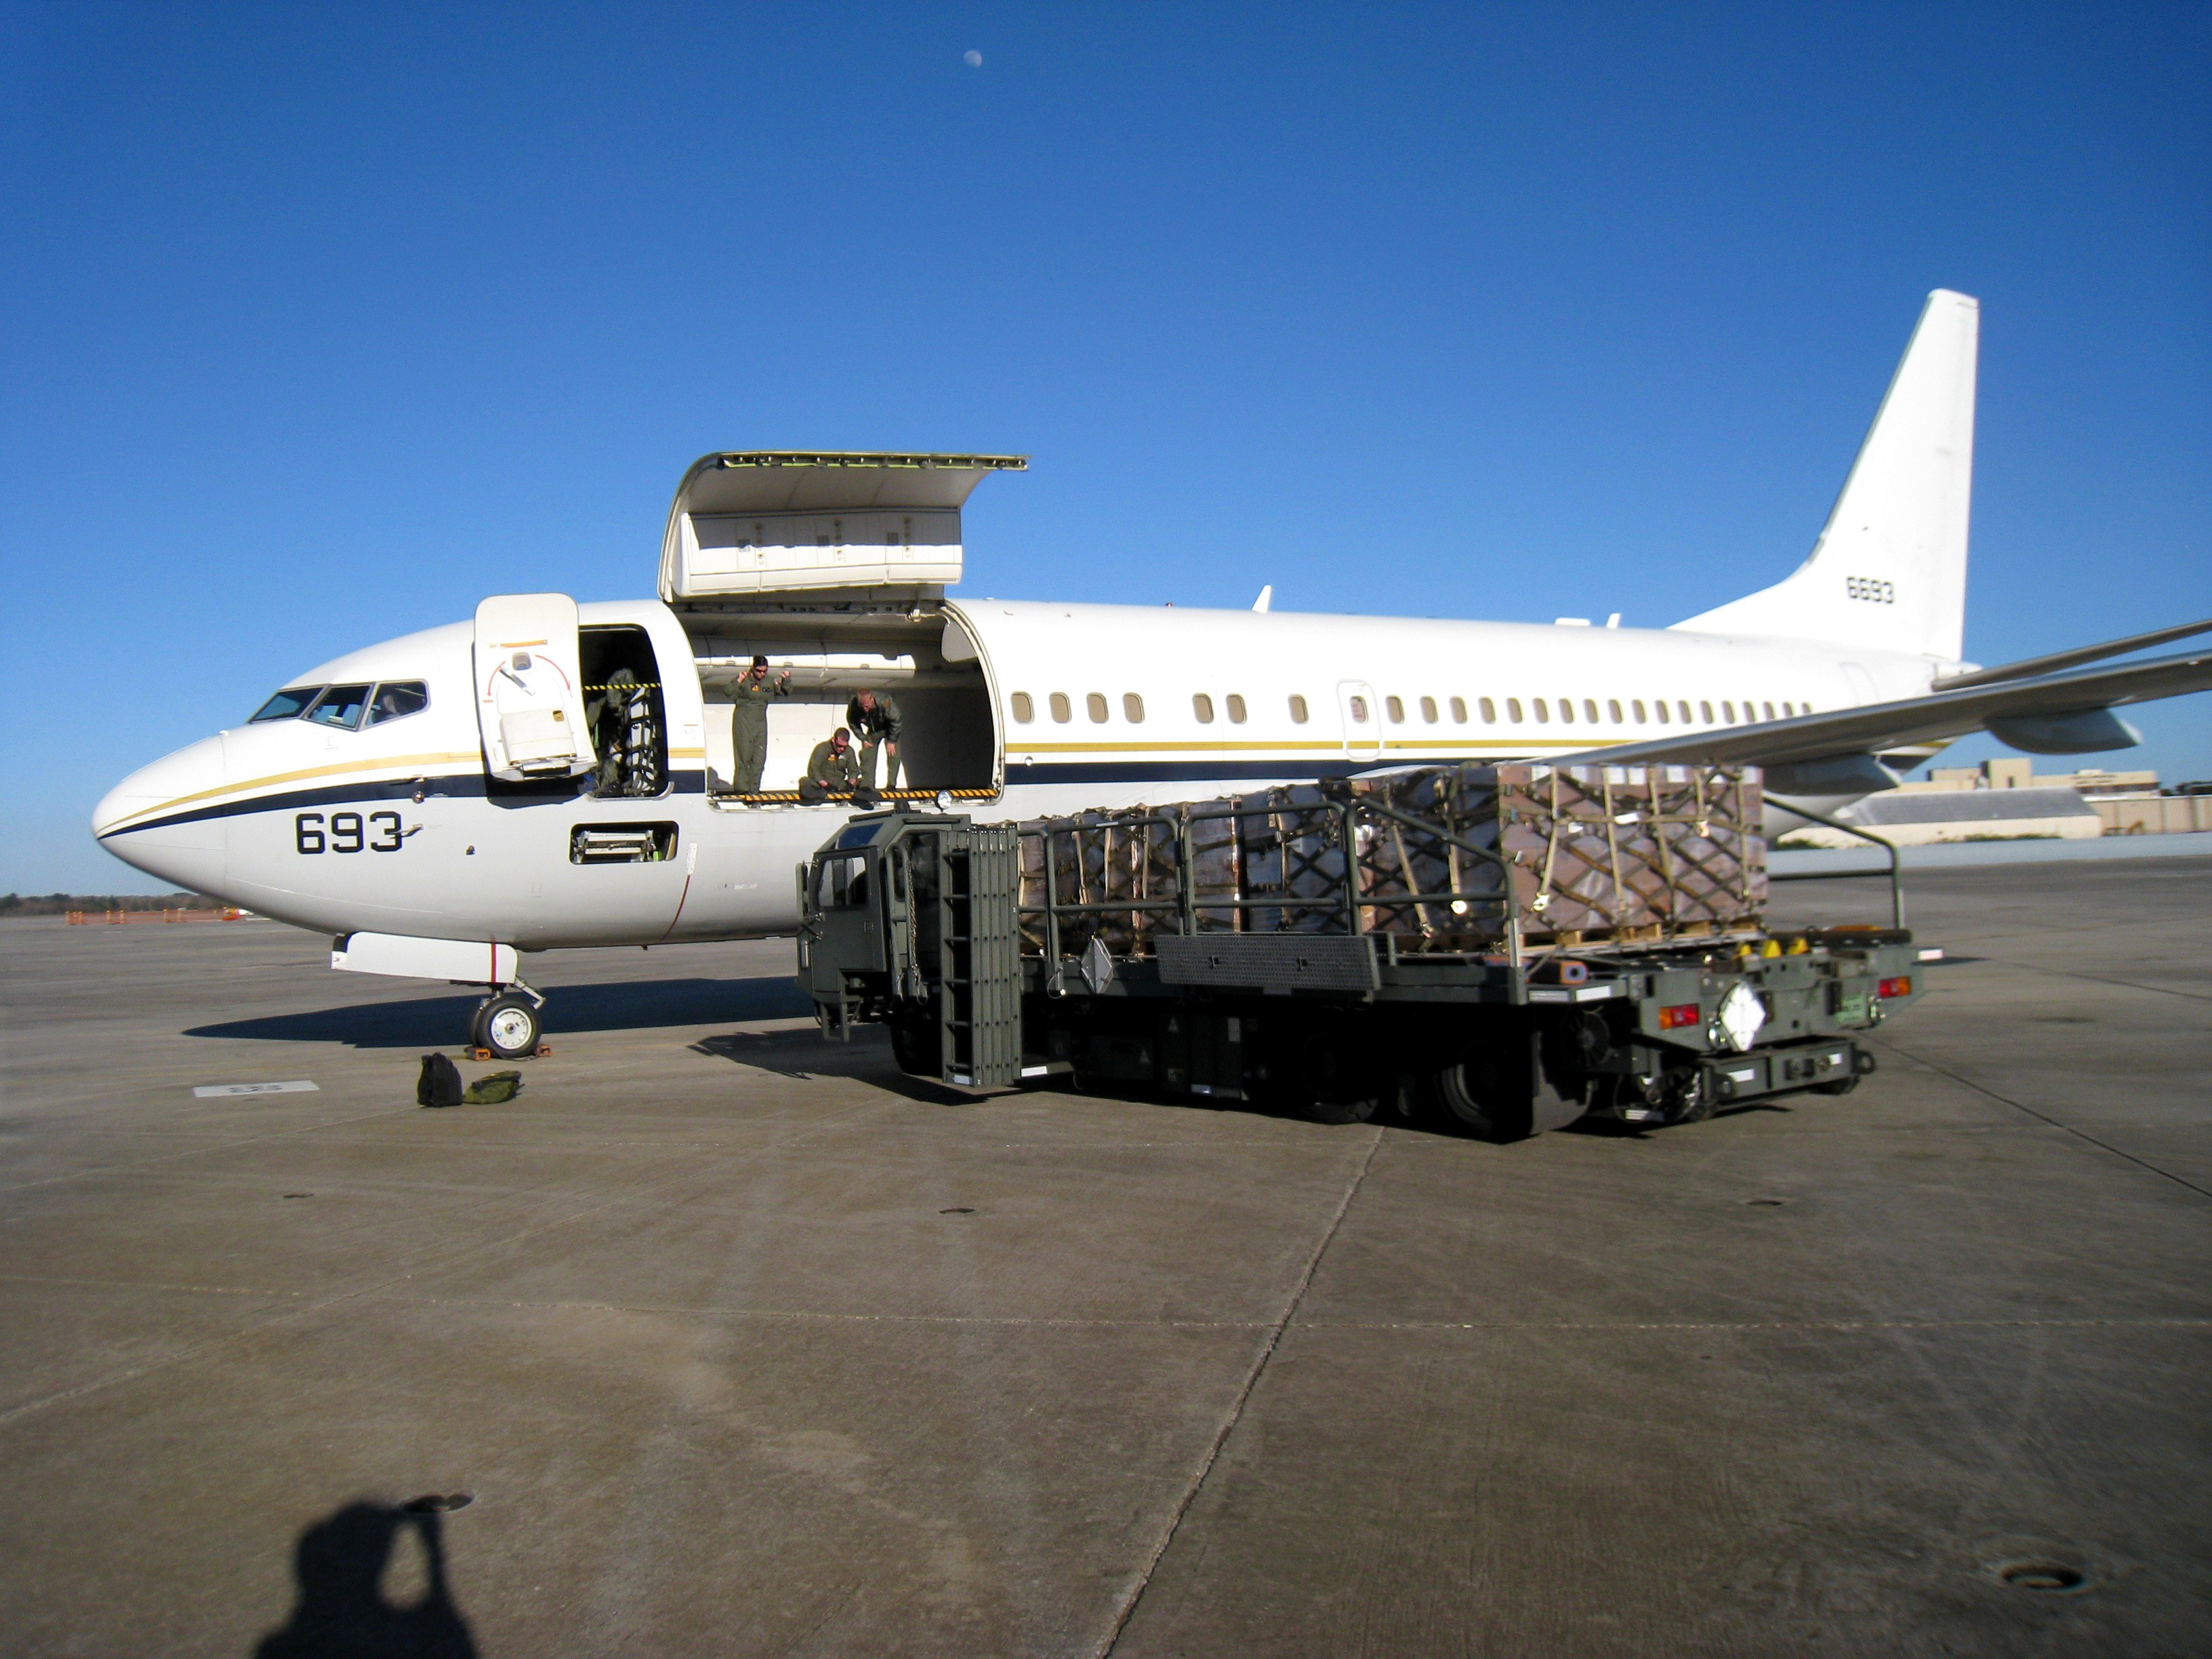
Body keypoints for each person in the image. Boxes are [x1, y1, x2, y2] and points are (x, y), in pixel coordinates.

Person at [726, 655, 791, 793]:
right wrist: (738, 681)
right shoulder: (745, 679)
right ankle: (742, 789)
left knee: (759, 758)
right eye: (759, 671)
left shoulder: (768, 681)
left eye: (764, 671)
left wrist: (786, 680)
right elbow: (728, 691)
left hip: (760, 722)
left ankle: (754, 789)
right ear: (753, 668)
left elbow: (783, 692)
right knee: (744, 756)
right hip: (744, 720)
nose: (761, 674)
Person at [846, 687, 904, 790]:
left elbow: (896, 721)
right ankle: (867, 786)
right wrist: (863, 738)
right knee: (867, 754)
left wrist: (892, 741)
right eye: (862, 707)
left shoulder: (884, 701)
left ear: (872, 699)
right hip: (874, 730)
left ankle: (891, 785)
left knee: (893, 755)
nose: (865, 709)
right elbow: (852, 722)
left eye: (867, 706)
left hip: (890, 728)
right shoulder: (855, 704)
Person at [804, 726, 864, 794]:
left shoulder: (849, 751)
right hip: (822, 784)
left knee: (864, 782)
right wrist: (826, 785)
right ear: (833, 740)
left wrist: (851, 784)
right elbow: (813, 770)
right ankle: (819, 793)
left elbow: (853, 771)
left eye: (845, 746)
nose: (842, 749)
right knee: (805, 781)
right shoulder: (822, 749)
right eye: (839, 746)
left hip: (839, 784)